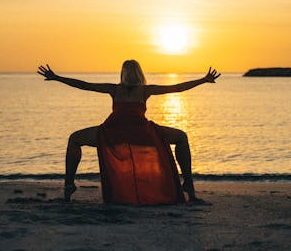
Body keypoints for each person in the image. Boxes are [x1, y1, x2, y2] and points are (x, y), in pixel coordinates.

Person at [37, 60, 220, 204]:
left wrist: (57, 77)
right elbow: (84, 85)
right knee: (181, 137)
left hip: (117, 134)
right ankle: (189, 186)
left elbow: (85, 85)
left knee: (75, 139)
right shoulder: (141, 90)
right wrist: (203, 80)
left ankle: (69, 186)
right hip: (132, 134)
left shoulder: (117, 89)